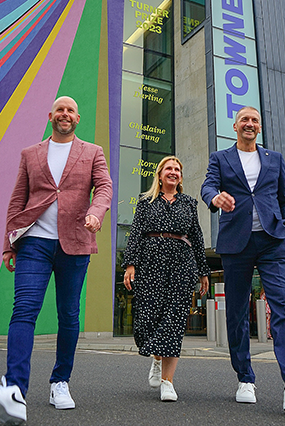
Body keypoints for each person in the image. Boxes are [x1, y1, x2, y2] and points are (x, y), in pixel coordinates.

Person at [0, 96, 113, 426]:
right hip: (34, 242)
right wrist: (8, 244)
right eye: (60, 110)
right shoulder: (30, 154)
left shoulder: (93, 152)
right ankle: (14, 393)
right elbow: (17, 200)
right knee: (24, 311)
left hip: (75, 242)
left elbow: (104, 187)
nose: (65, 114)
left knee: (69, 314)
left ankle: (59, 381)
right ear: (51, 116)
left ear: (78, 118)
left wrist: (96, 212)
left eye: (70, 111)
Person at [201, 106, 285, 413]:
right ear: (235, 126)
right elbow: (207, 186)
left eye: (254, 120)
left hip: (272, 240)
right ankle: (245, 377)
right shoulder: (220, 158)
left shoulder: (275, 159)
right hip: (236, 242)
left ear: (259, 128)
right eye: (244, 119)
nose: (250, 123)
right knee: (237, 312)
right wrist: (215, 198)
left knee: (283, 304)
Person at [123, 156, 209, 402]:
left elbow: (198, 238)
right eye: (169, 169)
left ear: (180, 177)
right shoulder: (145, 202)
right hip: (151, 263)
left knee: (174, 320)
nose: (173, 172)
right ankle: (157, 359)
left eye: (177, 169)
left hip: (181, 264)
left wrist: (203, 271)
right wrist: (130, 264)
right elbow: (136, 233)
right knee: (146, 321)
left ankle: (167, 381)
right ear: (160, 175)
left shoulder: (188, 203)